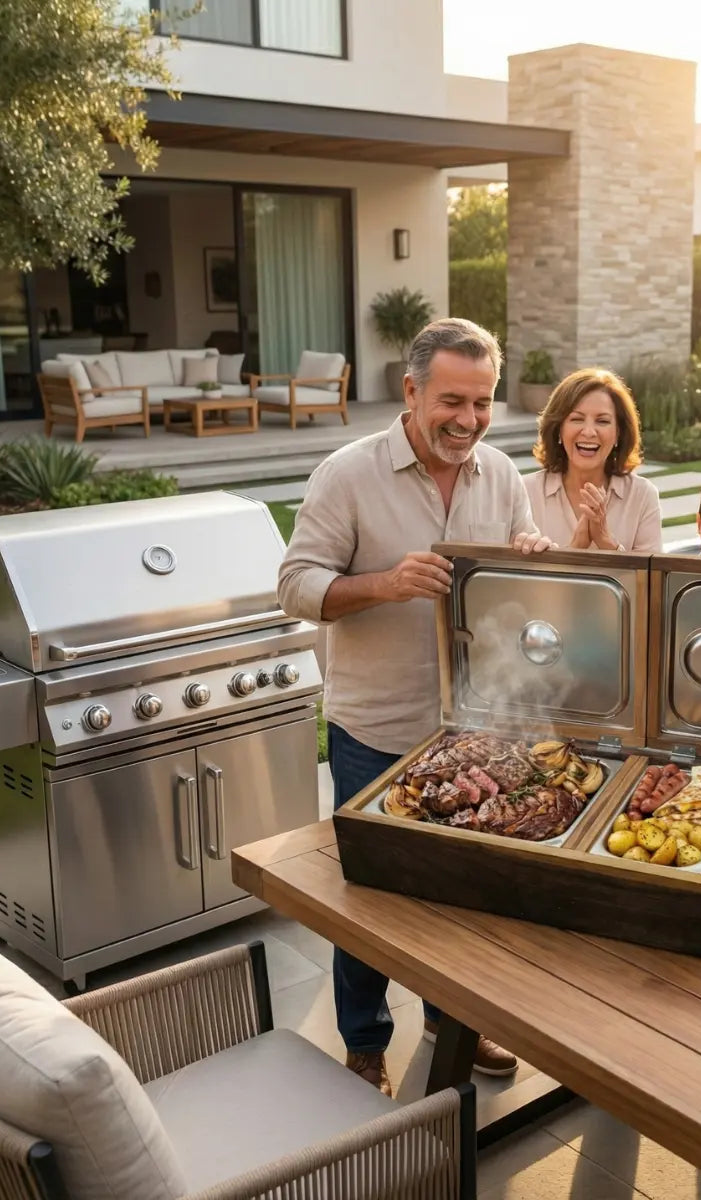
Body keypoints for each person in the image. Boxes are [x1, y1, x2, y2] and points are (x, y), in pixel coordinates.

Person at [278, 318, 551, 1096]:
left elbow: (519, 552)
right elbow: (296, 584)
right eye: (452, 401)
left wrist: (530, 556)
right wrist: (385, 584)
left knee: (459, 892)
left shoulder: (499, 473)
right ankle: (364, 1041)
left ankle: (451, 1017)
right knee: (371, 901)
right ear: (412, 392)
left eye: (483, 401)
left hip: (473, 730)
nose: (468, 419)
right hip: (376, 727)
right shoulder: (347, 474)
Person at [524, 368, 663, 553]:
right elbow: (519, 577)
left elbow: (650, 580)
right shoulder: (526, 492)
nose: (589, 432)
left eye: (602, 421)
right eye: (577, 419)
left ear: (618, 433)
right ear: (558, 429)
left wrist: (607, 542)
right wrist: (575, 548)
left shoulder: (643, 496)